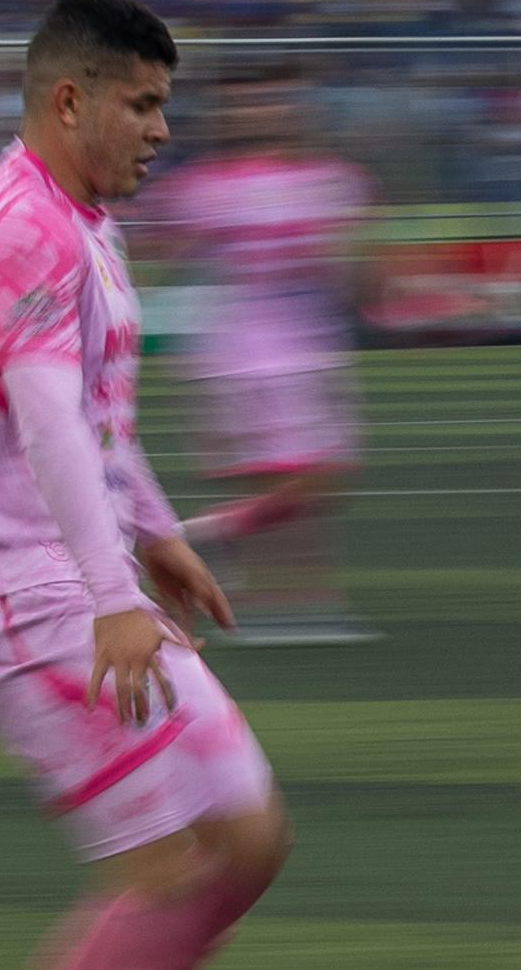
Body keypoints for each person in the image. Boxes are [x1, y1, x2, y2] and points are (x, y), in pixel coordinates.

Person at [0, 0, 289, 970]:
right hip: (24, 594)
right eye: (142, 102)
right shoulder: (28, 227)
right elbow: (43, 427)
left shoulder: (79, 218)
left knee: (247, 834)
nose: (161, 129)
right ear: (69, 100)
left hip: (75, 577)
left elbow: (98, 428)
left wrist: (160, 536)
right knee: (169, 859)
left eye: (164, 103)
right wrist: (113, 587)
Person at [138, 59, 378, 644]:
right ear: (229, 113)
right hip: (246, 353)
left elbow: (358, 268)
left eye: (274, 98)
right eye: (248, 100)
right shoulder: (206, 185)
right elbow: (156, 252)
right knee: (312, 479)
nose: (262, 110)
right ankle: (209, 543)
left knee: (306, 484)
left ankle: (293, 603)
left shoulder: (329, 179)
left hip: (311, 349)